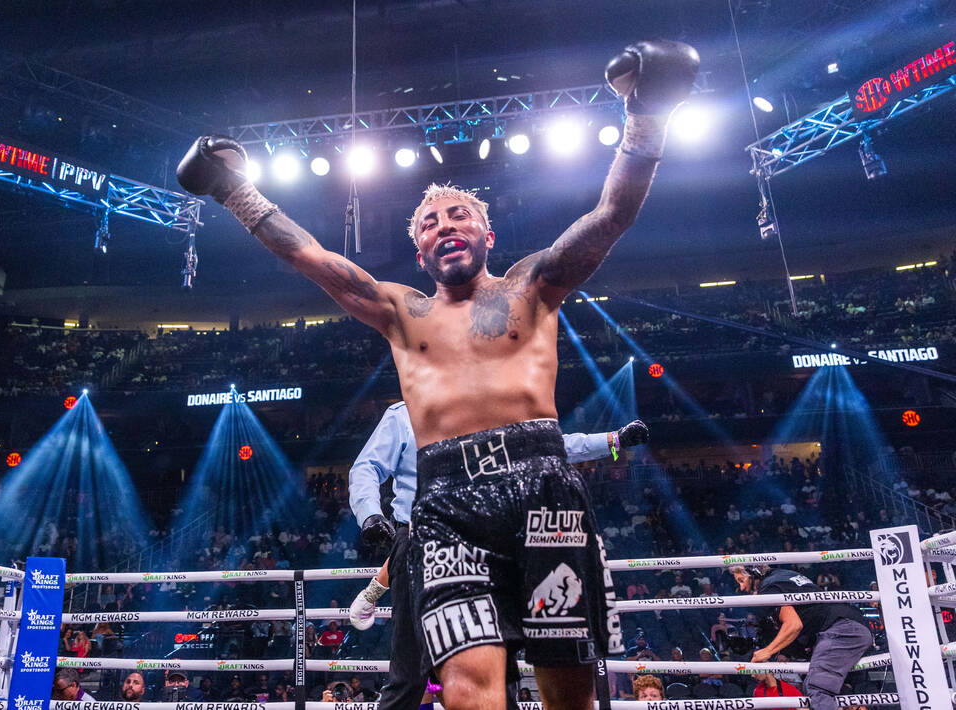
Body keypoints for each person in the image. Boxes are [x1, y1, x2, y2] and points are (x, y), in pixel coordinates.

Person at [178, 38, 698, 710]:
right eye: (429, 221)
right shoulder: (400, 310)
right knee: (463, 686)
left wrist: (648, 111)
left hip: (543, 489)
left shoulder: (533, 286)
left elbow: (612, 214)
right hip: (446, 506)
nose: (444, 224)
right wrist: (232, 188)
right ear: (418, 246)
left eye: (459, 215)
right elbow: (307, 254)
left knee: (568, 690)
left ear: (487, 233)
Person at [348, 401, 648, 710]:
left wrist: (612, 440)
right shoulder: (405, 415)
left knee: (498, 667)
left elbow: (551, 448)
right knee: (410, 674)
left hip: (486, 544)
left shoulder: (494, 409)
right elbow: (367, 466)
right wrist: (370, 513)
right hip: (420, 543)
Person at [731, 565, 871, 710]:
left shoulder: (768, 589)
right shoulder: (784, 575)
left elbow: (794, 625)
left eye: (742, 580)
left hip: (840, 629)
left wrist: (768, 651)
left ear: (755, 573)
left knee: (816, 688)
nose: (741, 587)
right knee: (828, 688)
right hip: (845, 626)